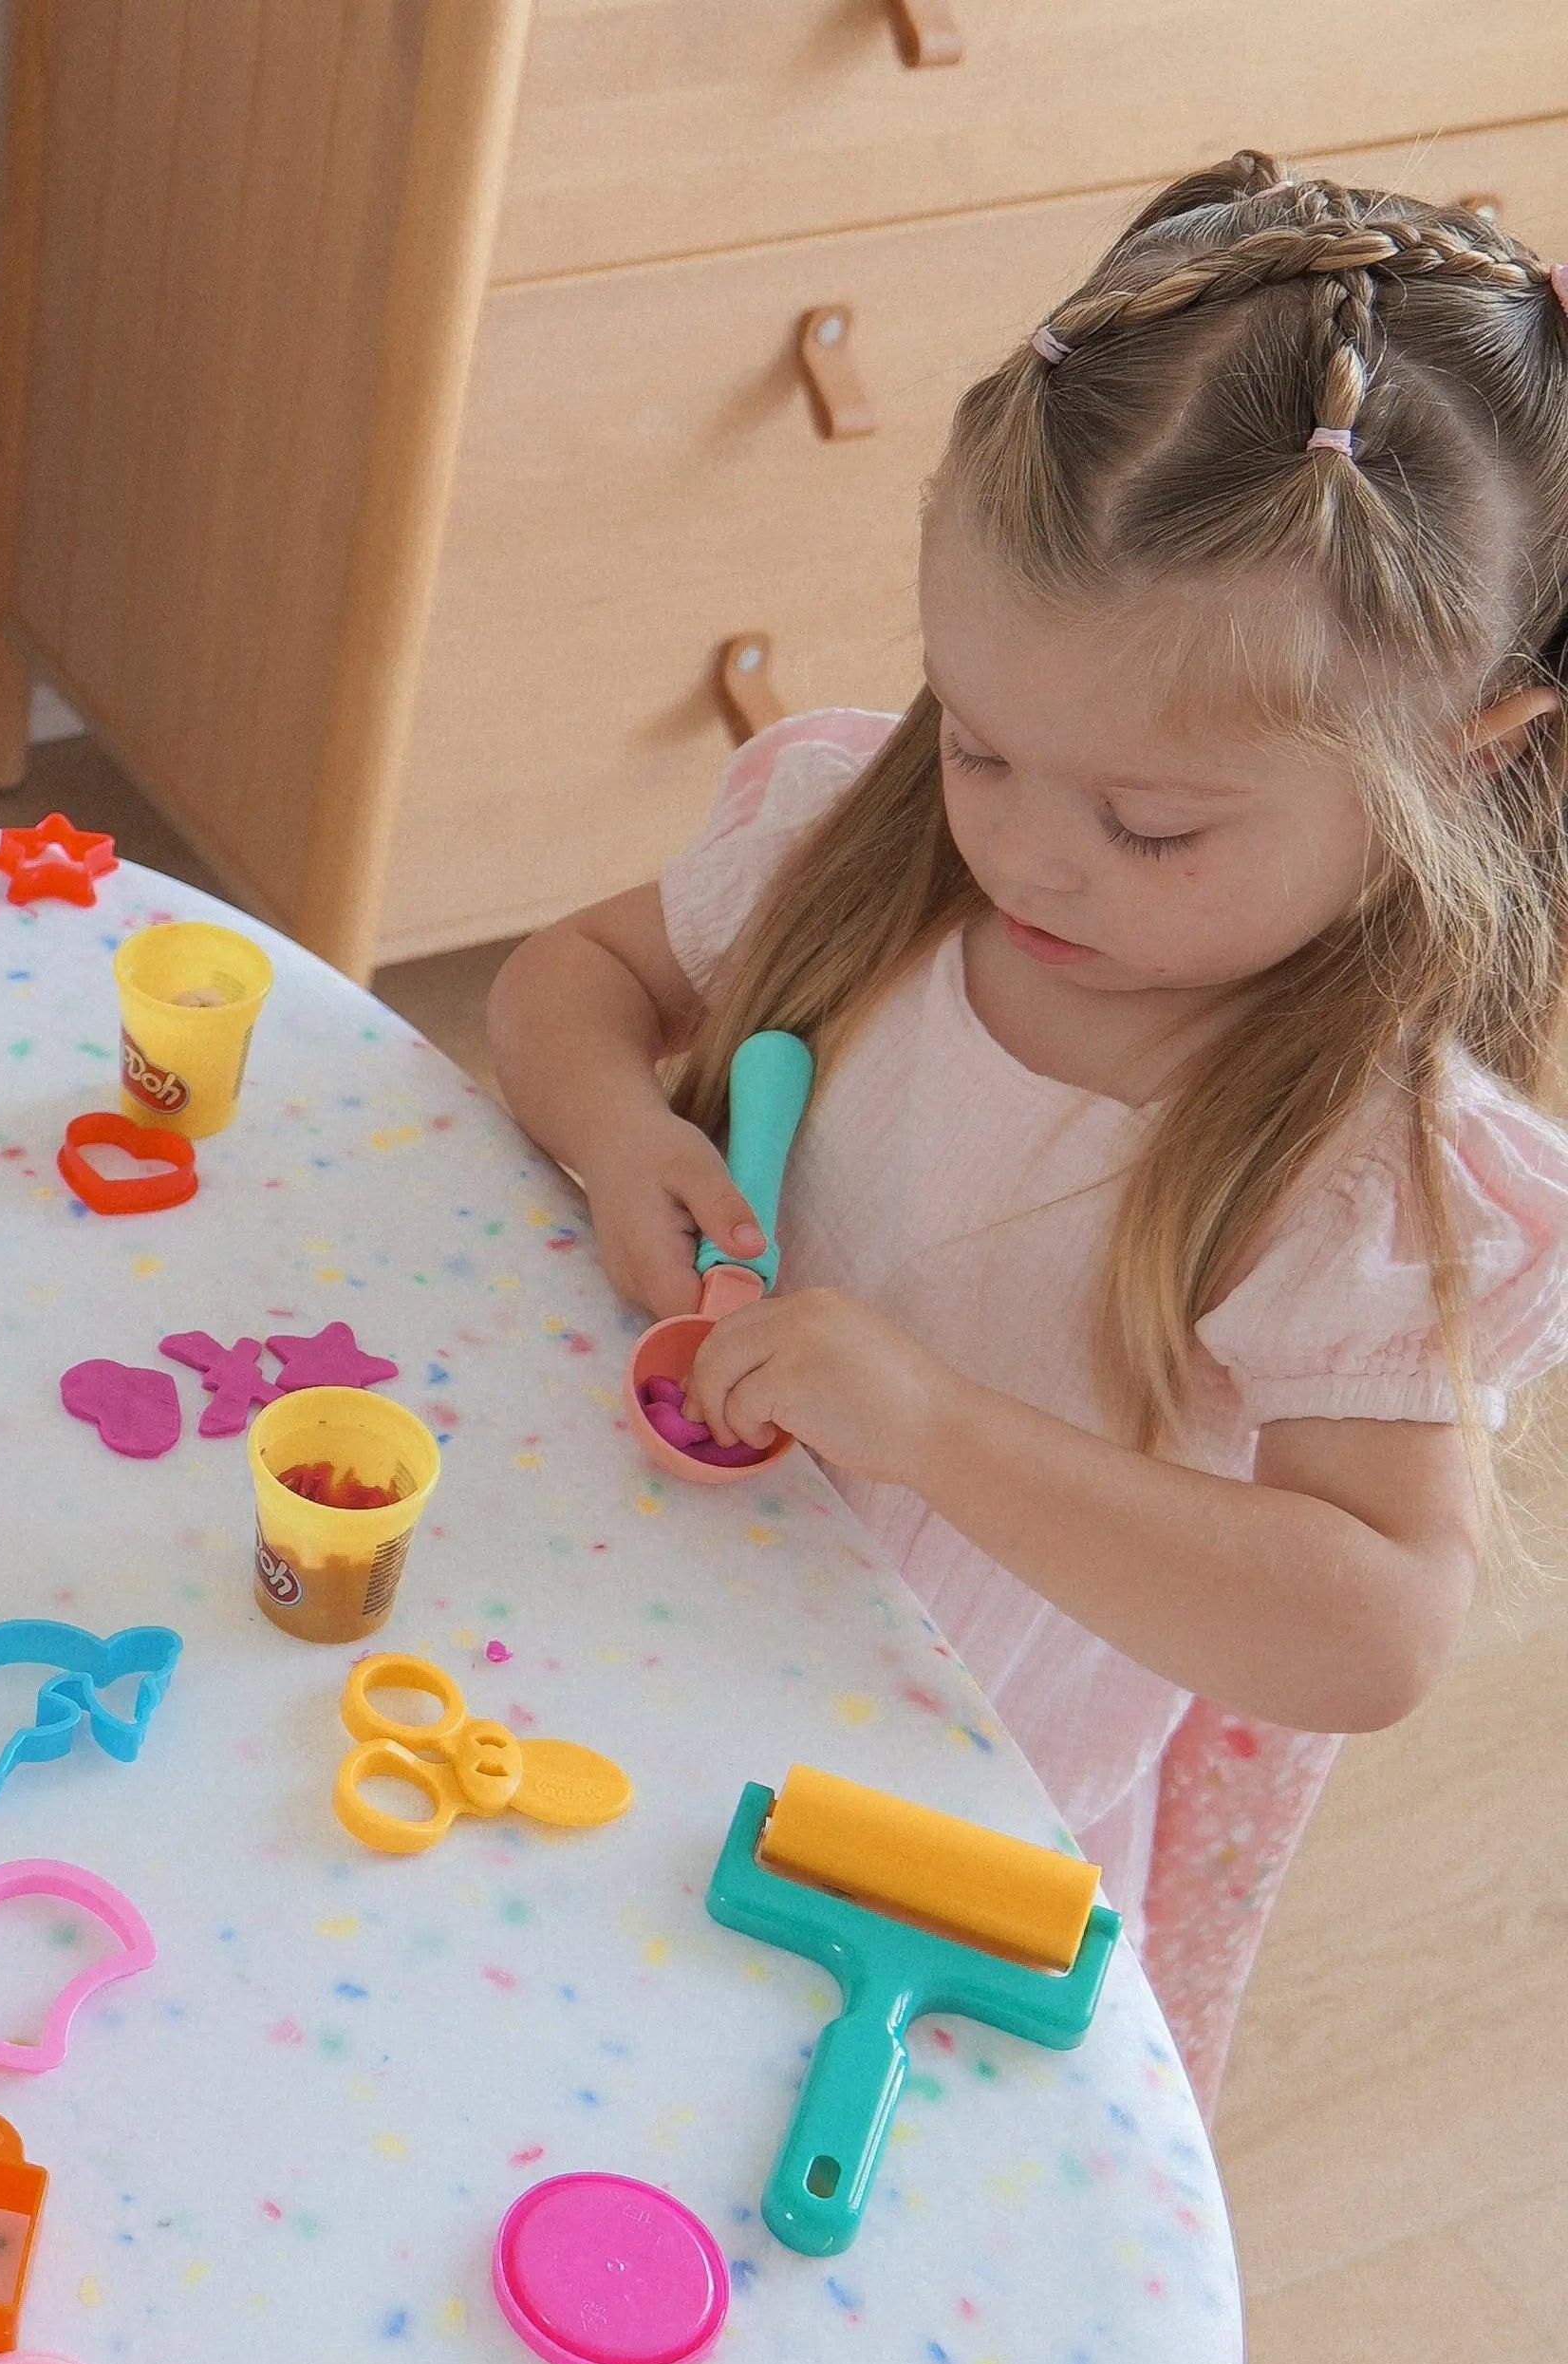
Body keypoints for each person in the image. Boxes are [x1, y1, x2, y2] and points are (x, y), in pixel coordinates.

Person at [491, 156, 1568, 2074]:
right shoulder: (865, 842)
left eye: (1146, 825)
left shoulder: (1357, 1172)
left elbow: (1371, 1627)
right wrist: (613, 1133)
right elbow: (569, 977)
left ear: (1453, 751)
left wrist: (928, 1427)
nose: (1022, 856)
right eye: (977, 739)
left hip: (925, 1821)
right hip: (609, 1647)